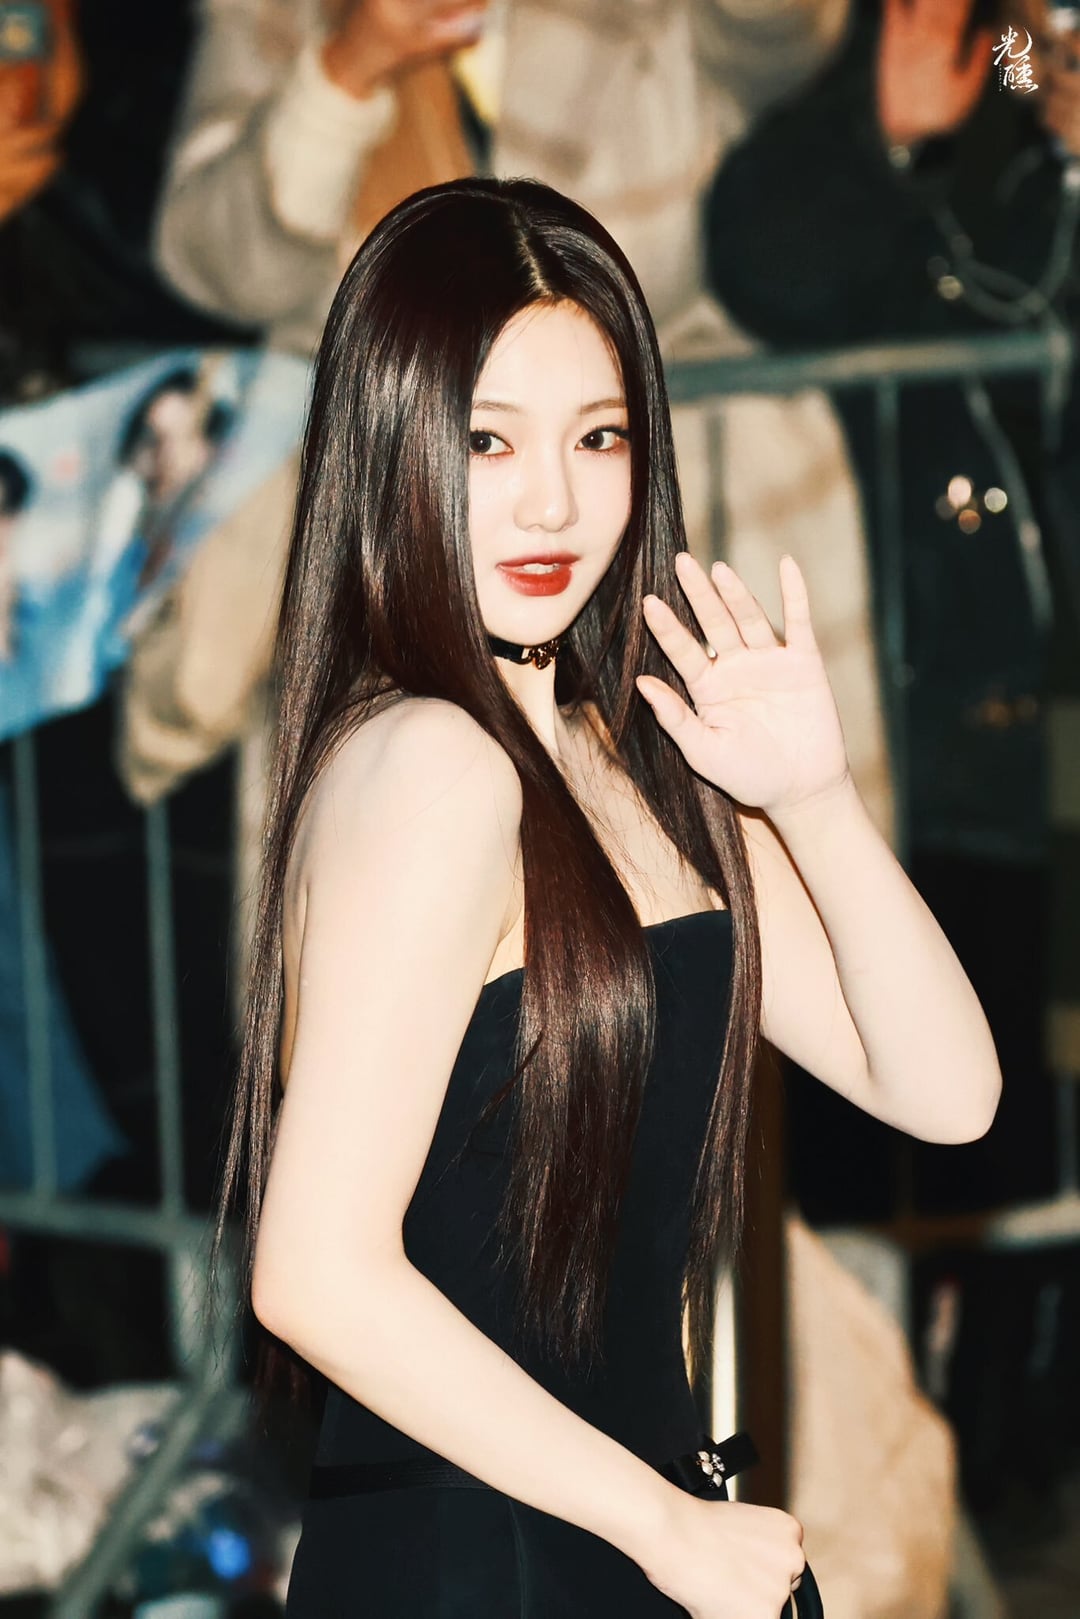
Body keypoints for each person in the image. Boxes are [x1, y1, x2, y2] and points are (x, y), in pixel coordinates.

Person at [220, 175, 1001, 1617]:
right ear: (390, 439)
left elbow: (945, 1093)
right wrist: (664, 1526)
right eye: (487, 439)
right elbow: (314, 1272)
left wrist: (814, 801)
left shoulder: (618, 748)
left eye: (599, 436)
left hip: (613, 1531)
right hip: (486, 1556)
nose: (554, 502)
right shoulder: (432, 766)